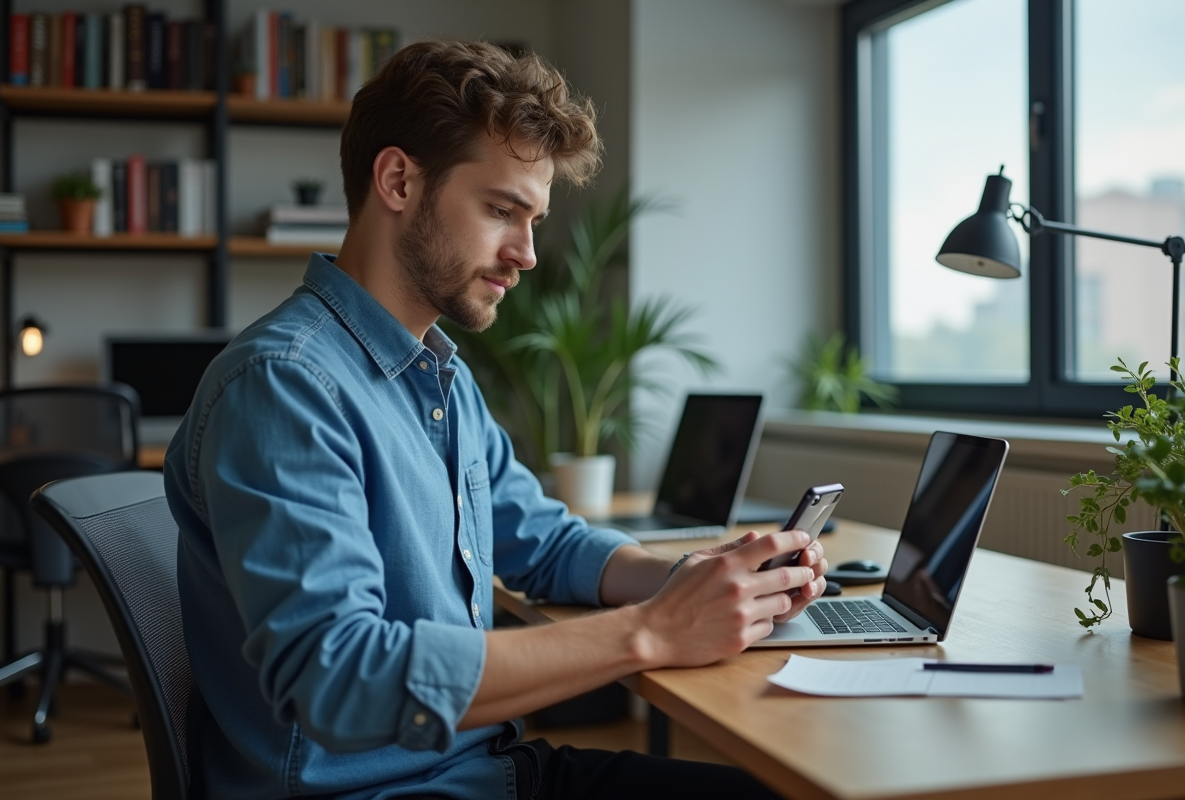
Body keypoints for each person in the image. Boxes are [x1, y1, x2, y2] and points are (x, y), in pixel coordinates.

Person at [164, 40, 828, 800]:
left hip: (478, 771)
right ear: (398, 180)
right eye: (502, 210)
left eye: (534, 219)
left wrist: (691, 582)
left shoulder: (439, 376)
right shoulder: (285, 387)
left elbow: (544, 544)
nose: (529, 254)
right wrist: (651, 631)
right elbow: (340, 676)